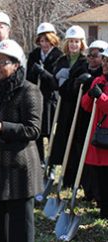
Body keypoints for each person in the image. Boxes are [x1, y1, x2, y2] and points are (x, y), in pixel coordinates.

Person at [0, 39, 43, 242]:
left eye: (3, 62)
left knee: (20, 227)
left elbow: (33, 129)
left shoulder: (29, 90)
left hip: (18, 169)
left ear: (16, 65)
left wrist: (2, 126)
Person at [49, 25, 88, 188]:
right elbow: (58, 85)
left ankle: (75, 179)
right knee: (64, 140)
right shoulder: (62, 60)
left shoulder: (84, 62)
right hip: (64, 107)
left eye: (76, 42)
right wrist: (65, 82)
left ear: (81, 44)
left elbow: (78, 87)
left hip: (79, 108)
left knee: (77, 142)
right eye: (71, 41)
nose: (73, 45)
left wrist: (69, 82)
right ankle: (64, 176)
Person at [26, 22, 63, 164]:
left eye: (47, 40)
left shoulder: (59, 56)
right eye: (41, 40)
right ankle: (39, 161)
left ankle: (52, 163)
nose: (44, 44)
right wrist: (34, 72)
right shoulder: (34, 55)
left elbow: (56, 82)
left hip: (51, 100)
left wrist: (43, 72)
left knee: (50, 132)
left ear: (53, 39)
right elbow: (29, 79)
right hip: (37, 98)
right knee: (38, 131)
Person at [81, 47, 108, 219]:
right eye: (104, 61)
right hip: (99, 136)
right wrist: (90, 95)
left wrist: (102, 97)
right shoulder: (98, 80)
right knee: (99, 176)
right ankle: (102, 207)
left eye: (107, 61)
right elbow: (86, 106)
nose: (104, 64)